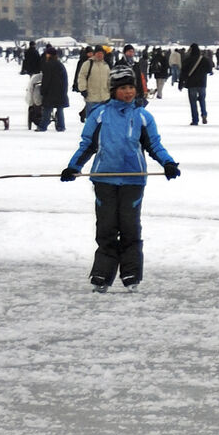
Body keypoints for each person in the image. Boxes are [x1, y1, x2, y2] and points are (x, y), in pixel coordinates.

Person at [62, 66, 180, 292]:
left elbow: (154, 145)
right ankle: (102, 275)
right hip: (104, 179)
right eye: (123, 88)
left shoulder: (143, 116)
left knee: (130, 228)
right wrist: (73, 167)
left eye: (131, 87)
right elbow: (87, 145)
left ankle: (131, 274)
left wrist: (168, 163)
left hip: (133, 180)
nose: (128, 92)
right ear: (113, 90)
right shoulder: (99, 114)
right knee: (106, 228)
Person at [179, 43, 213, 125]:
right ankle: (204, 114)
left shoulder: (187, 60)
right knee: (202, 99)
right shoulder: (204, 59)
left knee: (193, 102)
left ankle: (195, 119)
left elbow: (183, 72)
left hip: (191, 83)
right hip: (202, 83)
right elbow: (209, 69)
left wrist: (180, 83)